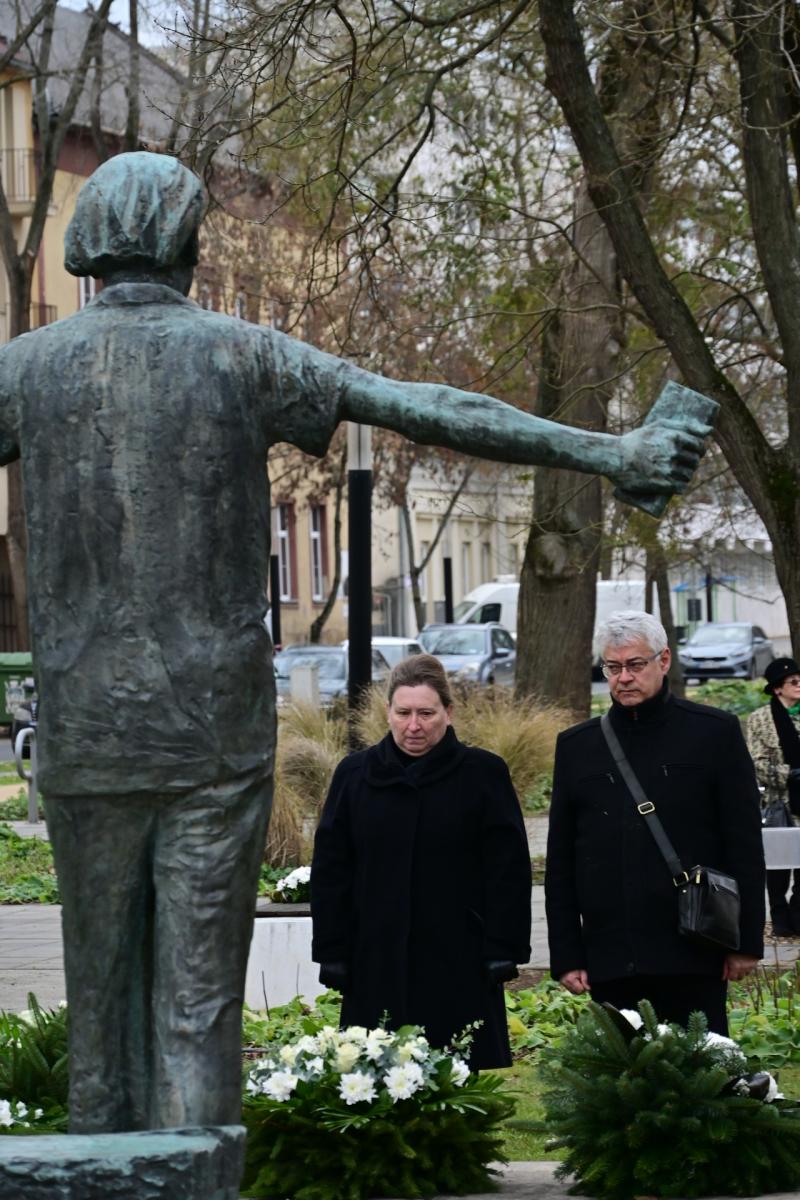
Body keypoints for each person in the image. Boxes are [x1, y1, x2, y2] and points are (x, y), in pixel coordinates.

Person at [0, 150, 712, 1134]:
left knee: (101, 1002)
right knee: (196, 1006)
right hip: (211, 735)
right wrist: (606, 450)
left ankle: (102, 1171)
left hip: (87, 733)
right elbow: (430, 405)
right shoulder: (239, 353)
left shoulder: (26, 369)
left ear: (85, 247)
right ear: (190, 246)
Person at [545, 610, 765, 1035]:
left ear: (663, 661)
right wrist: (567, 953)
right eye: (613, 667)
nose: (623, 677)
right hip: (611, 952)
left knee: (703, 1078)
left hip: (694, 946)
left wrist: (747, 942)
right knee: (619, 1083)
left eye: (635, 665)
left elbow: (743, 845)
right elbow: (562, 861)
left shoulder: (713, 733)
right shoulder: (577, 746)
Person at [310, 655, 531, 1068]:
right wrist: (332, 949)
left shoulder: (483, 774)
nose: (414, 725)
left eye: (426, 713)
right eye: (403, 712)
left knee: (455, 1075)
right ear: (389, 713)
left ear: (448, 712)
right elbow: (331, 870)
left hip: (459, 957)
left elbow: (508, 869)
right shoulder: (355, 775)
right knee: (378, 1074)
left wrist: (504, 946)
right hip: (374, 957)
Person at [746, 657, 800, 937]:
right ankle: (779, 915)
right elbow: (756, 762)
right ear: (778, 688)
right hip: (778, 803)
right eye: (793, 681)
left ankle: (798, 913)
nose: (799, 685)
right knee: (778, 864)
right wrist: (788, 773)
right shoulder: (760, 719)